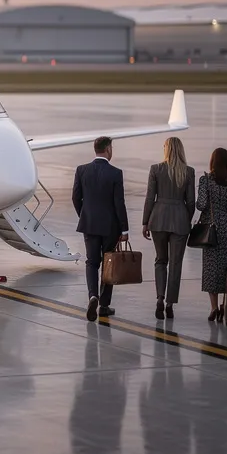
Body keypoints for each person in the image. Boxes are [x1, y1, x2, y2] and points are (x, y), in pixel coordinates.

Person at [73, 136, 130, 322]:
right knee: (108, 263)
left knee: (92, 262)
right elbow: (119, 203)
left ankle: (92, 296)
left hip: (89, 224)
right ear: (108, 149)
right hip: (110, 226)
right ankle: (104, 305)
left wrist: (84, 215)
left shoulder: (82, 170)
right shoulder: (115, 173)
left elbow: (76, 197)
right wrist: (124, 230)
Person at [142, 136, 195, 320]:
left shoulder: (156, 169)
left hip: (158, 219)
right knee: (176, 263)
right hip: (180, 220)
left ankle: (159, 298)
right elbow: (191, 202)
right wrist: (186, 219)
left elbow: (150, 198)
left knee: (160, 260)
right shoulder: (188, 172)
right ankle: (170, 303)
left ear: (166, 149)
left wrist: (145, 221)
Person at [197, 147, 227, 322]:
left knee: (212, 269)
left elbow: (201, 205)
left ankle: (213, 308)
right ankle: (225, 306)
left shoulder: (205, 180)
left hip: (211, 229)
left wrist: (203, 192)